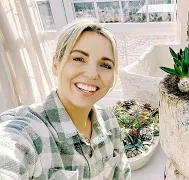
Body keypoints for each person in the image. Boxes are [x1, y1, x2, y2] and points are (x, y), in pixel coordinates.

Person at [0, 19, 131, 180]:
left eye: (105, 65)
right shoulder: (28, 133)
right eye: (78, 59)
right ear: (56, 64)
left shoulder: (109, 122)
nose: (91, 74)